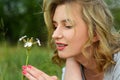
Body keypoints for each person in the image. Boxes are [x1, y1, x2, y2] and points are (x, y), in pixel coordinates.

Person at [22, 0, 120, 80]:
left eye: (68, 26)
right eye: (55, 26)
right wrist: (72, 60)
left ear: (95, 32)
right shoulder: (70, 70)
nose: (54, 35)